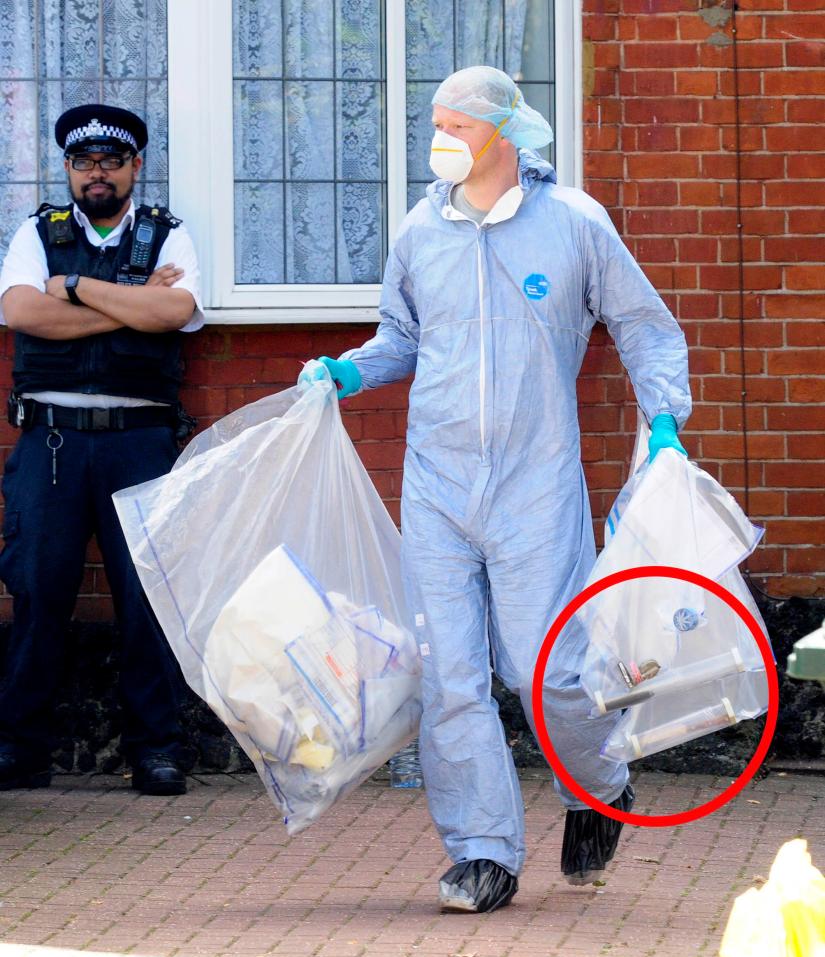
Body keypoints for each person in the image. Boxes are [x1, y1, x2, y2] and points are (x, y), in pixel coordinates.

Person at [299, 66, 691, 911]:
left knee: (543, 672)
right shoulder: (419, 231)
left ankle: (600, 782)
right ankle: (482, 853)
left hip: (533, 484)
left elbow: (644, 325)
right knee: (449, 677)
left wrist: (663, 418)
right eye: (434, 124)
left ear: (506, 133)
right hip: (436, 484)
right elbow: (401, 338)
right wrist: (348, 371)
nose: (439, 141)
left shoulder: (572, 225)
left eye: (456, 126)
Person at [0, 104, 204, 795]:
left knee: (146, 596)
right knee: (37, 589)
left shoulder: (167, 237)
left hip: (139, 439)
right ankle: (22, 748)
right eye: (84, 162)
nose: (97, 173)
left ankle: (157, 750)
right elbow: (21, 312)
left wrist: (79, 288)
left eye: (111, 161)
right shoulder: (37, 232)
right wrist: (128, 301)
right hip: (50, 441)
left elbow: (174, 314)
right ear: (68, 168)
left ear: (133, 167)